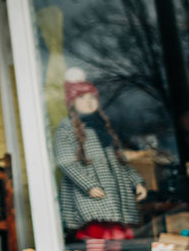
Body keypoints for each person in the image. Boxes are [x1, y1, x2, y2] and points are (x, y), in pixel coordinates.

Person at [54, 68, 147, 240]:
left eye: (92, 98)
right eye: (81, 98)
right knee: (97, 234)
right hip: (92, 194)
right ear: (72, 102)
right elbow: (65, 162)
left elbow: (120, 161)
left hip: (115, 193)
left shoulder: (103, 127)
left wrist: (136, 182)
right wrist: (88, 185)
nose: (88, 102)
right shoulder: (67, 128)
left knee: (117, 236)